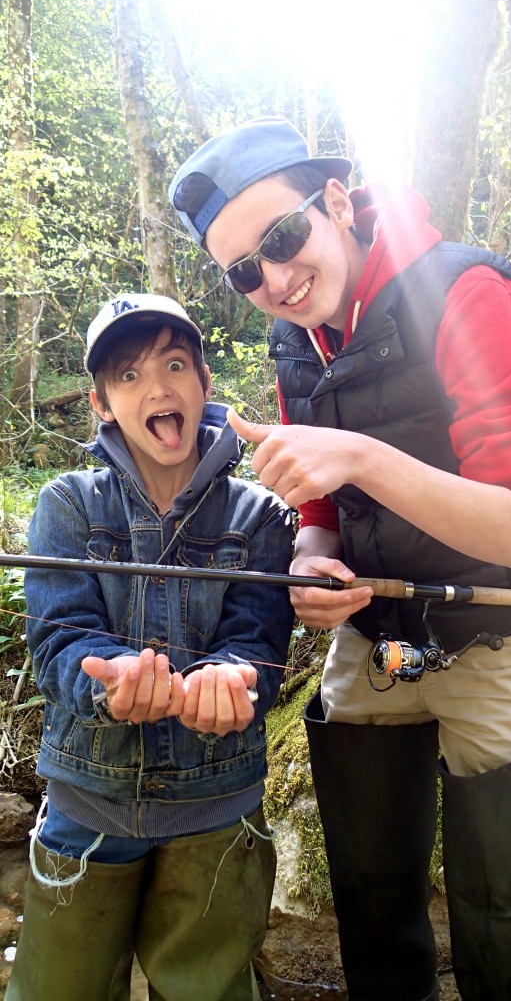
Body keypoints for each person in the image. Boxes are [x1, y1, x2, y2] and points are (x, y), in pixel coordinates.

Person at [168, 117, 511, 1001]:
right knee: (369, 888)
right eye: (245, 271)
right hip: (387, 645)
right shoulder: (294, 341)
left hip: (496, 632)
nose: (274, 279)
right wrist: (314, 558)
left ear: (339, 202)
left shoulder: (467, 294)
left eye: (283, 238)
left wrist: (360, 458)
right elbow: (319, 509)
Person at [7, 292, 294, 1001]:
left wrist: (236, 681)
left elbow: (258, 643)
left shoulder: (261, 516)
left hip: (219, 815)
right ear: (103, 403)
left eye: (174, 365)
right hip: (88, 810)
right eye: (129, 376)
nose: (158, 388)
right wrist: (104, 680)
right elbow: (59, 640)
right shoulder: (68, 504)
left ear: (202, 384)